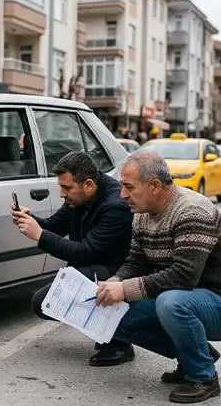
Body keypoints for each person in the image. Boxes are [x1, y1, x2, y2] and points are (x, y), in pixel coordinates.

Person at [94, 150, 221, 403]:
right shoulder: (141, 214)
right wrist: (113, 285)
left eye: (128, 187)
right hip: (183, 298)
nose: (122, 194)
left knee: (171, 303)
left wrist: (125, 290)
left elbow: (184, 277)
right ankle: (197, 355)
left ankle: (203, 377)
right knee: (112, 315)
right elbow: (135, 263)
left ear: (155, 186)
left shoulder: (191, 211)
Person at [10, 151, 135, 366]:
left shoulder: (116, 206)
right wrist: (30, 220)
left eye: (66, 188)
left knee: (48, 301)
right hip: (93, 267)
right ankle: (104, 331)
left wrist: (39, 235)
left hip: (118, 273)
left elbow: (85, 251)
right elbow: (55, 225)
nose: (61, 194)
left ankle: (119, 342)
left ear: (88, 184)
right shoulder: (79, 198)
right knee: (43, 304)